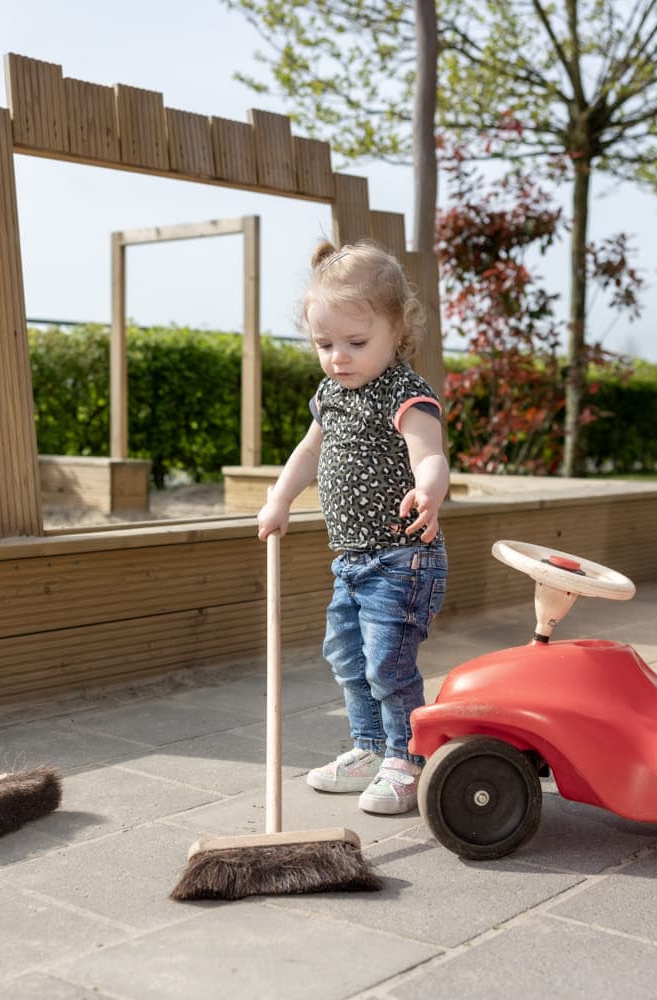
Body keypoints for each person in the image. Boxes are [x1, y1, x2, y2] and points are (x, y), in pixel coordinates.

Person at [257, 239, 449, 815]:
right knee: (346, 655)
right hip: (351, 561)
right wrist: (279, 500)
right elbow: (305, 454)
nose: (339, 357)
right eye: (325, 344)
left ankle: (405, 757)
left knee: (387, 662)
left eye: (356, 343)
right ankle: (367, 746)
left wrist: (429, 487)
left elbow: (431, 453)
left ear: (397, 330)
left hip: (402, 558)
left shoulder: (405, 393)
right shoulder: (331, 395)